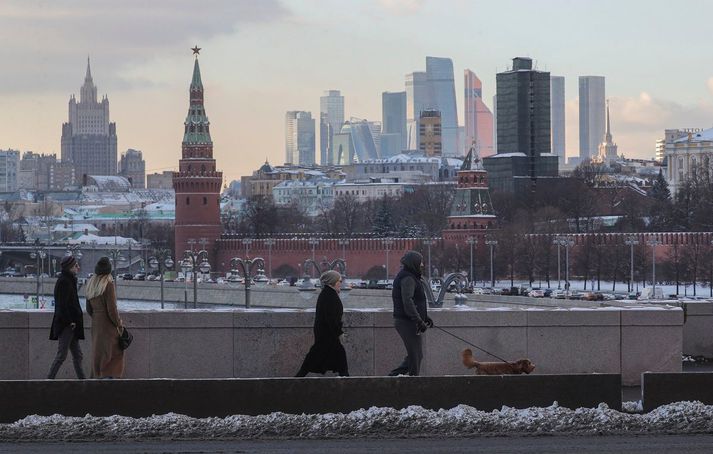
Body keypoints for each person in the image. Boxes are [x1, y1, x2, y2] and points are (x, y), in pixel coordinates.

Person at [295, 270, 349, 377]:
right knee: (320, 356)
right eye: (339, 281)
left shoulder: (327, 294)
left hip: (326, 334)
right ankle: (346, 379)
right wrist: (339, 332)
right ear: (332, 282)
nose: (341, 283)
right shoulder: (330, 296)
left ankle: (298, 378)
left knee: (316, 356)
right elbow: (331, 318)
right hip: (327, 335)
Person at [388, 251, 433, 376]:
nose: (422, 265)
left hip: (409, 321)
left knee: (417, 355)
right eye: (421, 262)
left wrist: (425, 317)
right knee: (415, 356)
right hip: (406, 322)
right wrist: (419, 320)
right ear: (414, 263)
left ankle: (392, 378)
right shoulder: (408, 278)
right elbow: (407, 301)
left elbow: (415, 302)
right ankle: (410, 384)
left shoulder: (410, 276)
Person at [85, 257, 125, 379]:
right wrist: (119, 324)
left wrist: (97, 317)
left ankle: (97, 376)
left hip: (96, 324)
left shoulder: (91, 284)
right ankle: (109, 378)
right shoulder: (108, 285)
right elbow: (112, 310)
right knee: (114, 353)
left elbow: (88, 309)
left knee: (98, 353)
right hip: (108, 326)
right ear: (109, 271)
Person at [47, 255, 86, 379]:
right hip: (67, 324)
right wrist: (70, 322)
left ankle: (83, 382)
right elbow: (61, 305)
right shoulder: (64, 281)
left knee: (78, 355)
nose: (78, 267)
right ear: (69, 267)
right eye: (76, 265)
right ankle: (48, 381)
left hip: (71, 324)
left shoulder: (69, 280)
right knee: (61, 355)